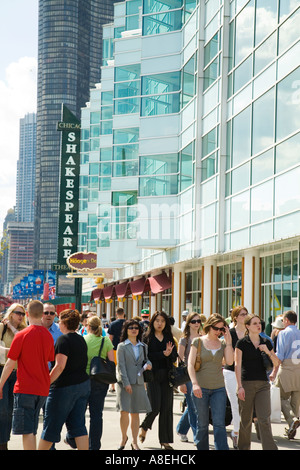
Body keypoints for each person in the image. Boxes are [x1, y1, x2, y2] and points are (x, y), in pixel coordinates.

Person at [0, 300, 54, 450]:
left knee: (27, 431)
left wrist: (0, 384)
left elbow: (10, 363)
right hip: (42, 388)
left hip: (25, 387)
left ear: (28, 314)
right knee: (33, 427)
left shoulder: (22, 335)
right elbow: (50, 359)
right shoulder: (48, 336)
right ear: (42, 314)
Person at [39, 309, 90, 450]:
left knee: (51, 426)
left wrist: (46, 383)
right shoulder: (81, 339)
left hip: (64, 388)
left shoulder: (63, 339)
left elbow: (60, 366)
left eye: (59, 320)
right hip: (82, 385)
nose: (58, 323)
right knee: (79, 426)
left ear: (65, 323)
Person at [188, 313, 233, 450]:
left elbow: (230, 361)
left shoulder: (223, 343)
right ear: (209, 327)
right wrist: (194, 384)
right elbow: (190, 364)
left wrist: (229, 342)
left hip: (218, 388)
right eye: (216, 328)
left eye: (221, 329)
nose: (219, 332)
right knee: (202, 423)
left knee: (219, 423)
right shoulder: (198, 341)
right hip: (200, 387)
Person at [235, 314, 279, 450]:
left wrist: (268, 352)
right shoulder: (241, 343)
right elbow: (237, 365)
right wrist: (239, 386)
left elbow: (277, 362)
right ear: (247, 326)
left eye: (259, 323)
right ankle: (243, 448)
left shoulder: (266, 342)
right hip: (246, 384)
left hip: (263, 385)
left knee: (264, 419)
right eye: (254, 323)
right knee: (246, 420)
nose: (258, 325)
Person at [139, 311, 177, 449]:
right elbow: (145, 356)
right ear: (152, 322)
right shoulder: (146, 337)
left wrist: (170, 354)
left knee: (166, 409)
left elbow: (174, 355)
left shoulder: (168, 336)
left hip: (167, 376)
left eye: (162, 321)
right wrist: (163, 354)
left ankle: (165, 441)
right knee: (154, 407)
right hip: (152, 376)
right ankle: (144, 426)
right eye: (157, 320)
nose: (160, 323)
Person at [116, 319, 152, 450]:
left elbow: (147, 360)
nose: (133, 329)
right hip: (124, 383)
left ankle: (134, 441)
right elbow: (121, 366)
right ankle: (123, 437)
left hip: (138, 382)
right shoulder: (121, 346)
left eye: (136, 327)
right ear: (126, 330)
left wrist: (149, 365)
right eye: (130, 327)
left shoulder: (143, 346)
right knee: (124, 412)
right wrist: (126, 383)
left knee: (135, 413)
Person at [84, 315, 114, 449]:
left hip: (84, 379)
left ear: (88, 327)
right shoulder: (106, 341)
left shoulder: (83, 339)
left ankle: (76, 439)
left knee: (79, 413)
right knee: (96, 415)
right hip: (100, 381)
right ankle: (94, 446)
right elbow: (112, 362)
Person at [0, 303, 28, 450]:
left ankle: (5, 440)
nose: (21, 316)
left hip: (17, 373)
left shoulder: (23, 330)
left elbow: (22, 343)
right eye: (18, 313)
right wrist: (13, 351)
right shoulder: (1, 327)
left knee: (11, 410)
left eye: (23, 314)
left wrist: (12, 327)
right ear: (11, 313)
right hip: (3, 371)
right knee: (2, 409)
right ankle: (2, 443)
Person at [270, 310, 300, 440]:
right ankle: (293, 423)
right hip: (298, 368)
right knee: (295, 401)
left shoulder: (283, 333)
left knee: (280, 398)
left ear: (287, 320)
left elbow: (279, 356)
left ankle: (291, 420)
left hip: (286, 368)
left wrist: (273, 372)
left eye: (283, 320)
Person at [223, 306, 248, 449]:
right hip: (231, 372)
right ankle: (236, 433)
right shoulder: (230, 333)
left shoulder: (250, 332)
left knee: (245, 405)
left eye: (246, 314)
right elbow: (229, 359)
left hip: (246, 372)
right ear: (235, 317)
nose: (245, 316)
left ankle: (239, 431)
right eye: (242, 314)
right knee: (235, 403)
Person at [176, 312, 202, 443]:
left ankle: (181, 429)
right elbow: (179, 361)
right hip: (187, 376)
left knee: (195, 405)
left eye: (198, 321)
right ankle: (198, 436)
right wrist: (181, 382)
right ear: (188, 323)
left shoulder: (203, 338)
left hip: (201, 376)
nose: (196, 323)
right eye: (193, 321)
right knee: (193, 406)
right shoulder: (184, 339)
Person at [108, 307, 126, 392]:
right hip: (126, 347)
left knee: (113, 367)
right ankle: (125, 383)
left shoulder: (113, 324)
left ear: (116, 314)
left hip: (115, 348)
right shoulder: (127, 323)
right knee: (124, 366)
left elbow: (110, 338)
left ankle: (113, 386)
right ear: (124, 313)